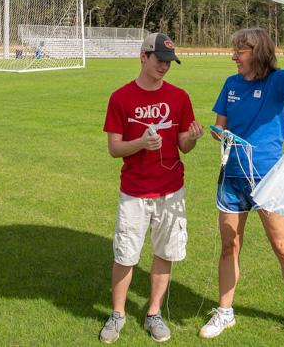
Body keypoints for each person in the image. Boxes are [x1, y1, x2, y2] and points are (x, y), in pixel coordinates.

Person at [200, 12, 284, 345]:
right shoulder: (230, 84)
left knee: (283, 247)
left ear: (257, 52)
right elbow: (221, 126)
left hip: (269, 181)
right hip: (232, 179)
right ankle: (225, 311)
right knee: (230, 246)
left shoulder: (277, 82)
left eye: (239, 51)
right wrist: (220, 135)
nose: (233, 57)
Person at [100, 32, 204, 343]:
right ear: (143, 57)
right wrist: (142, 143)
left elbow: (184, 145)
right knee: (125, 255)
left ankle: (153, 312)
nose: (164, 67)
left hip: (171, 191)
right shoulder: (121, 98)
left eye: (169, 62)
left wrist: (192, 137)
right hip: (134, 191)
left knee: (165, 252)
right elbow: (115, 149)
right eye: (159, 60)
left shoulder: (179, 97)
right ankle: (117, 314)